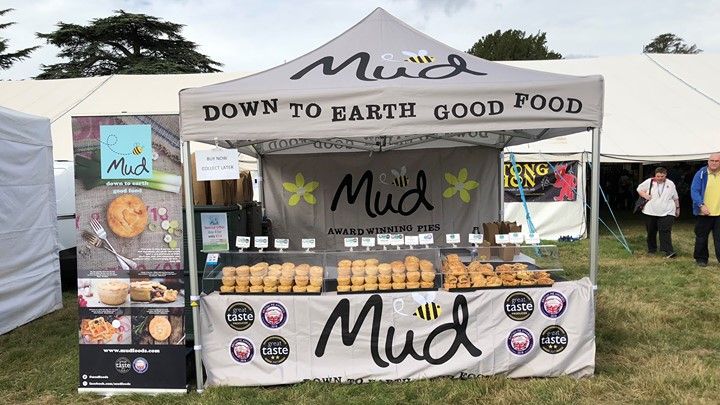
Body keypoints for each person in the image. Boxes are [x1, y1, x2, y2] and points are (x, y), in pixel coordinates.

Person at [637, 167, 680, 258]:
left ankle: (668, 251)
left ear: (665, 175)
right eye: (658, 176)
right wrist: (645, 195)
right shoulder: (649, 181)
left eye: (662, 176)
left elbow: (675, 197)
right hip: (650, 211)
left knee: (665, 231)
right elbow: (639, 189)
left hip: (667, 211)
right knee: (651, 231)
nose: (660, 178)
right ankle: (651, 249)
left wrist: (677, 208)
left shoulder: (670, 183)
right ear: (655, 175)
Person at [691, 153, 720, 267]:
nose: (713, 163)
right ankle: (701, 259)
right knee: (701, 237)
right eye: (711, 160)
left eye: (716, 161)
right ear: (708, 161)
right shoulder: (701, 174)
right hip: (704, 212)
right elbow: (694, 190)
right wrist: (701, 205)